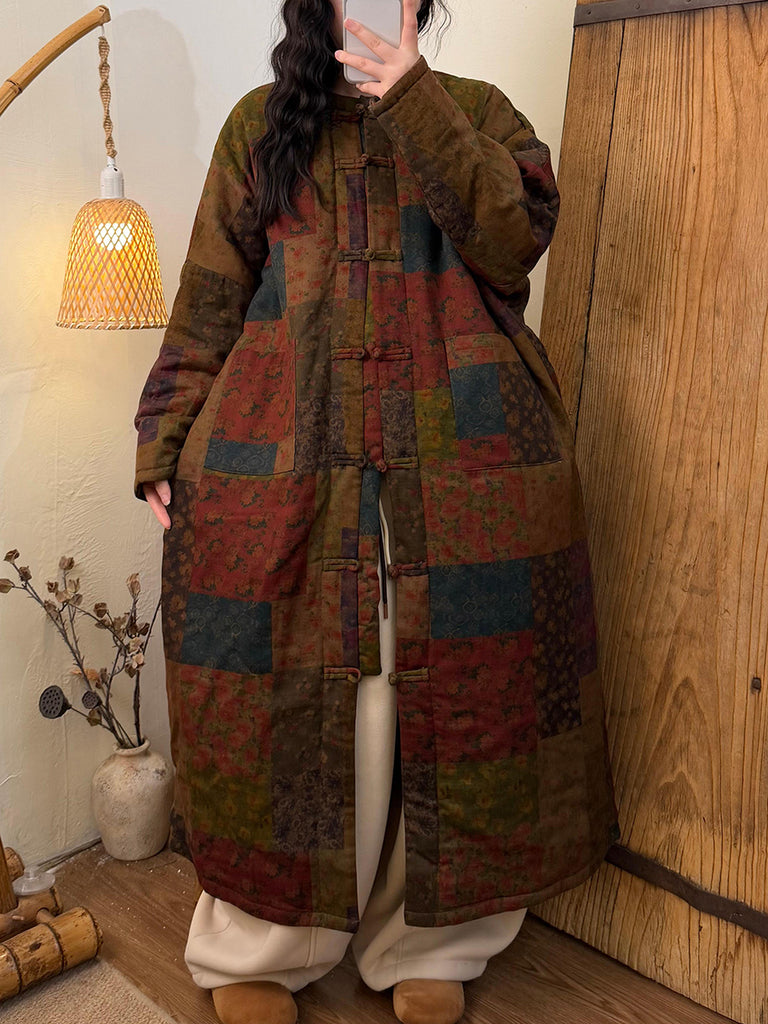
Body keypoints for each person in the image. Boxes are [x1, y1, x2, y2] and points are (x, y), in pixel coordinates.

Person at [133, 1, 621, 1023]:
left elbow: (512, 242)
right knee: (299, 694)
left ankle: (432, 940)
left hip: (464, 459)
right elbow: (210, 298)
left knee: (449, 694)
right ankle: (263, 947)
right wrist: (163, 440)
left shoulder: (480, 111)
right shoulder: (259, 124)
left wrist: (412, 99)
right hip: (286, 454)